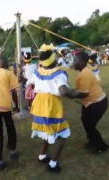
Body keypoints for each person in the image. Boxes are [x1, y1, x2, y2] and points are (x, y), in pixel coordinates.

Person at [27, 44, 75, 173]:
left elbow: (31, 84)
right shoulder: (59, 73)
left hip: (39, 104)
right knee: (63, 135)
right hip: (51, 105)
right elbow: (64, 91)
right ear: (53, 59)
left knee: (47, 131)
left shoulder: (37, 71)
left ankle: (42, 156)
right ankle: (53, 163)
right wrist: (75, 94)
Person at [72, 52, 109, 153]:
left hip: (97, 103)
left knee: (90, 125)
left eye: (75, 60)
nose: (73, 62)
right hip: (90, 103)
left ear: (82, 62)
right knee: (86, 122)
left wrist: (71, 94)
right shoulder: (83, 71)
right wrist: (72, 92)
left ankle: (101, 146)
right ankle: (93, 142)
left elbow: (84, 93)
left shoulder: (85, 73)